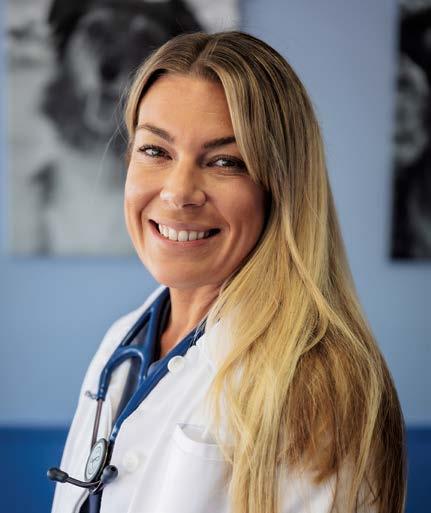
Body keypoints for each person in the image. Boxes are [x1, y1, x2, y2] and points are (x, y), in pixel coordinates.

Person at [50, 31, 406, 513]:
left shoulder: (319, 383)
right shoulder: (122, 342)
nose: (178, 192)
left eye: (225, 161)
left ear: (280, 188)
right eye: (155, 151)